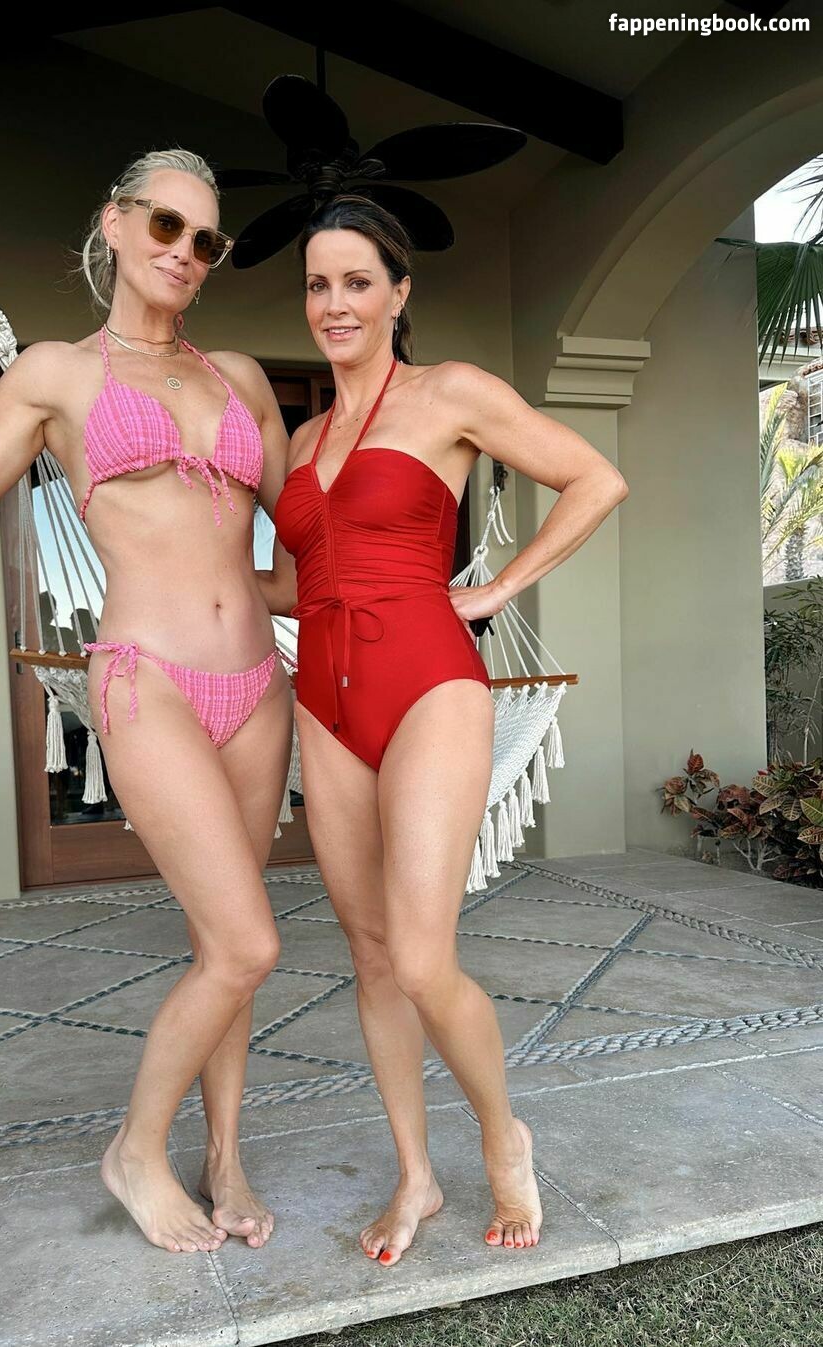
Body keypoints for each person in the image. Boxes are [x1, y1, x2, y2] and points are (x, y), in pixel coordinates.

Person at [0, 148, 297, 1255]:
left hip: (260, 686)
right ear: (115, 223)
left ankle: (226, 1155)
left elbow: (303, 555)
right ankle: (135, 1149)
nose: (185, 252)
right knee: (248, 943)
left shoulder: (241, 378)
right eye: (166, 225)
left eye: (207, 241)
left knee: (225, 940)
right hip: (150, 680)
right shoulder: (56, 374)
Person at [257, 194, 628, 1265]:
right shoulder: (304, 437)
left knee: (422, 956)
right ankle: (415, 1176)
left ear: (397, 293)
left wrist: (496, 587)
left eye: (356, 282)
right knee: (371, 954)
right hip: (325, 701)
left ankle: (501, 1132)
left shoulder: (449, 392)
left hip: (428, 682)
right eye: (318, 284)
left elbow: (596, 479)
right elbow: (291, 584)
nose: (335, 303)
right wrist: (177, 581)